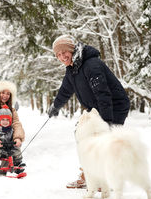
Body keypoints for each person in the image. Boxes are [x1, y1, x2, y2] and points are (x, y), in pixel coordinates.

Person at [47, 35, 130, 188]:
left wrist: (106, 121)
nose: (62, 56)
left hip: (114, 106)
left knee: (103, 141)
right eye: (58, 54)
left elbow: (103, 93)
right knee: (82, 134)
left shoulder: (91, 65)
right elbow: (65, 90)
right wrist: (55, 106)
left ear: (72, 50)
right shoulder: (72, 68)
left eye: (64, 52)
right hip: (97, 108)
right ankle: (89, 173)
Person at [0, 104, 24, 176]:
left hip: (7, 149)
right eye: (3, 119)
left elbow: (15, 137)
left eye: (7, 120)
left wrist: (16, 141)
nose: (5, 122)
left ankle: (18, 163)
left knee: (17, 149)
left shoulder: (11, 130)